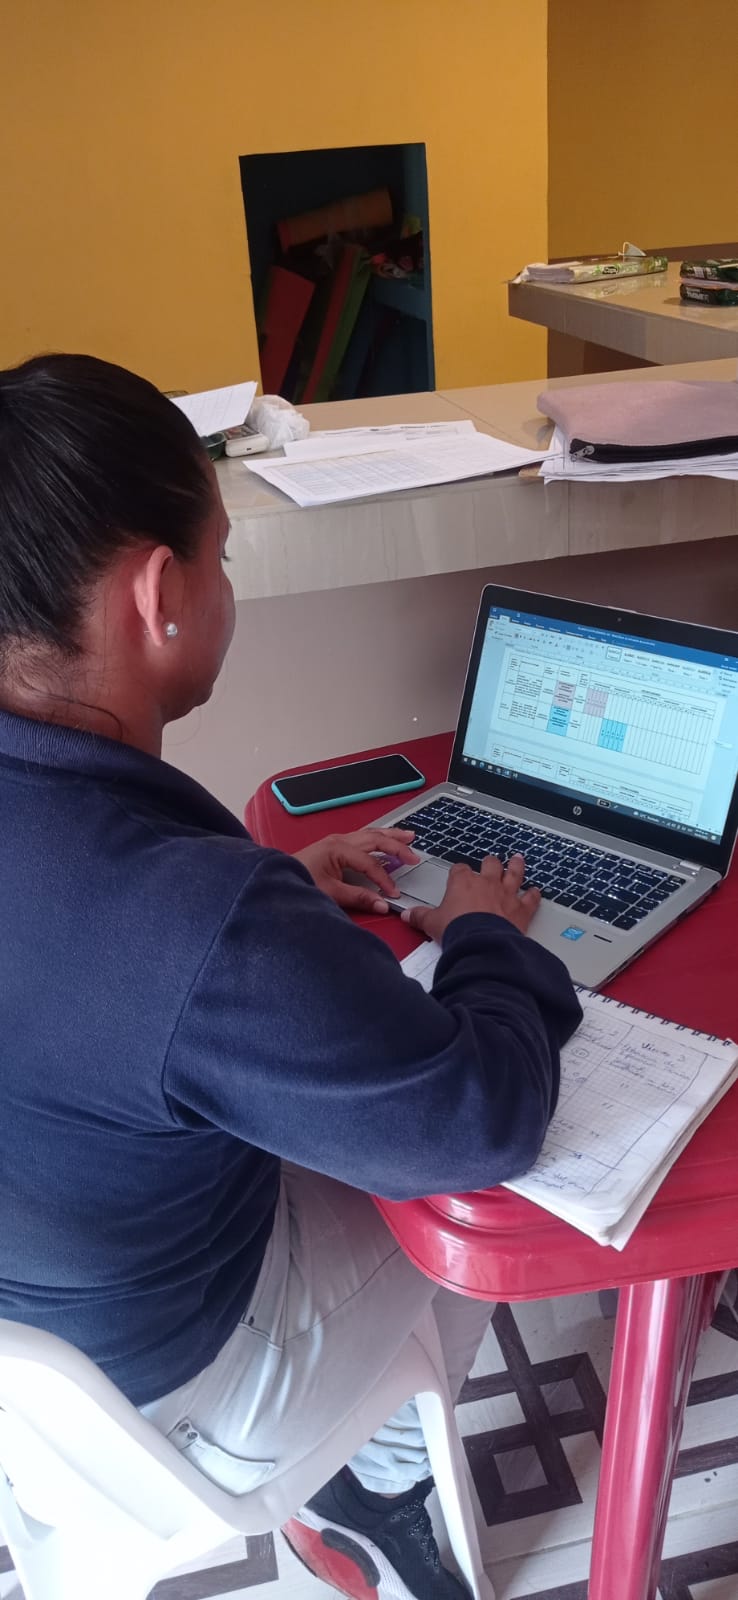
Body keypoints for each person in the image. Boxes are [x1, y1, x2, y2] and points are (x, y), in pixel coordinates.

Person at [0, 354, 582, 1600]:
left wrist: (272, 892)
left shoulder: (166, 893)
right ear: (159, 593)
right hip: (179, 1390)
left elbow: (91, 982)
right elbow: (480, 1120)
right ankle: (381, 1480)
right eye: (222, 556)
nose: (225, 586)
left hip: (36, 1358)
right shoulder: (190, 919)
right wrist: (486, 937)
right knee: (474, 1203)